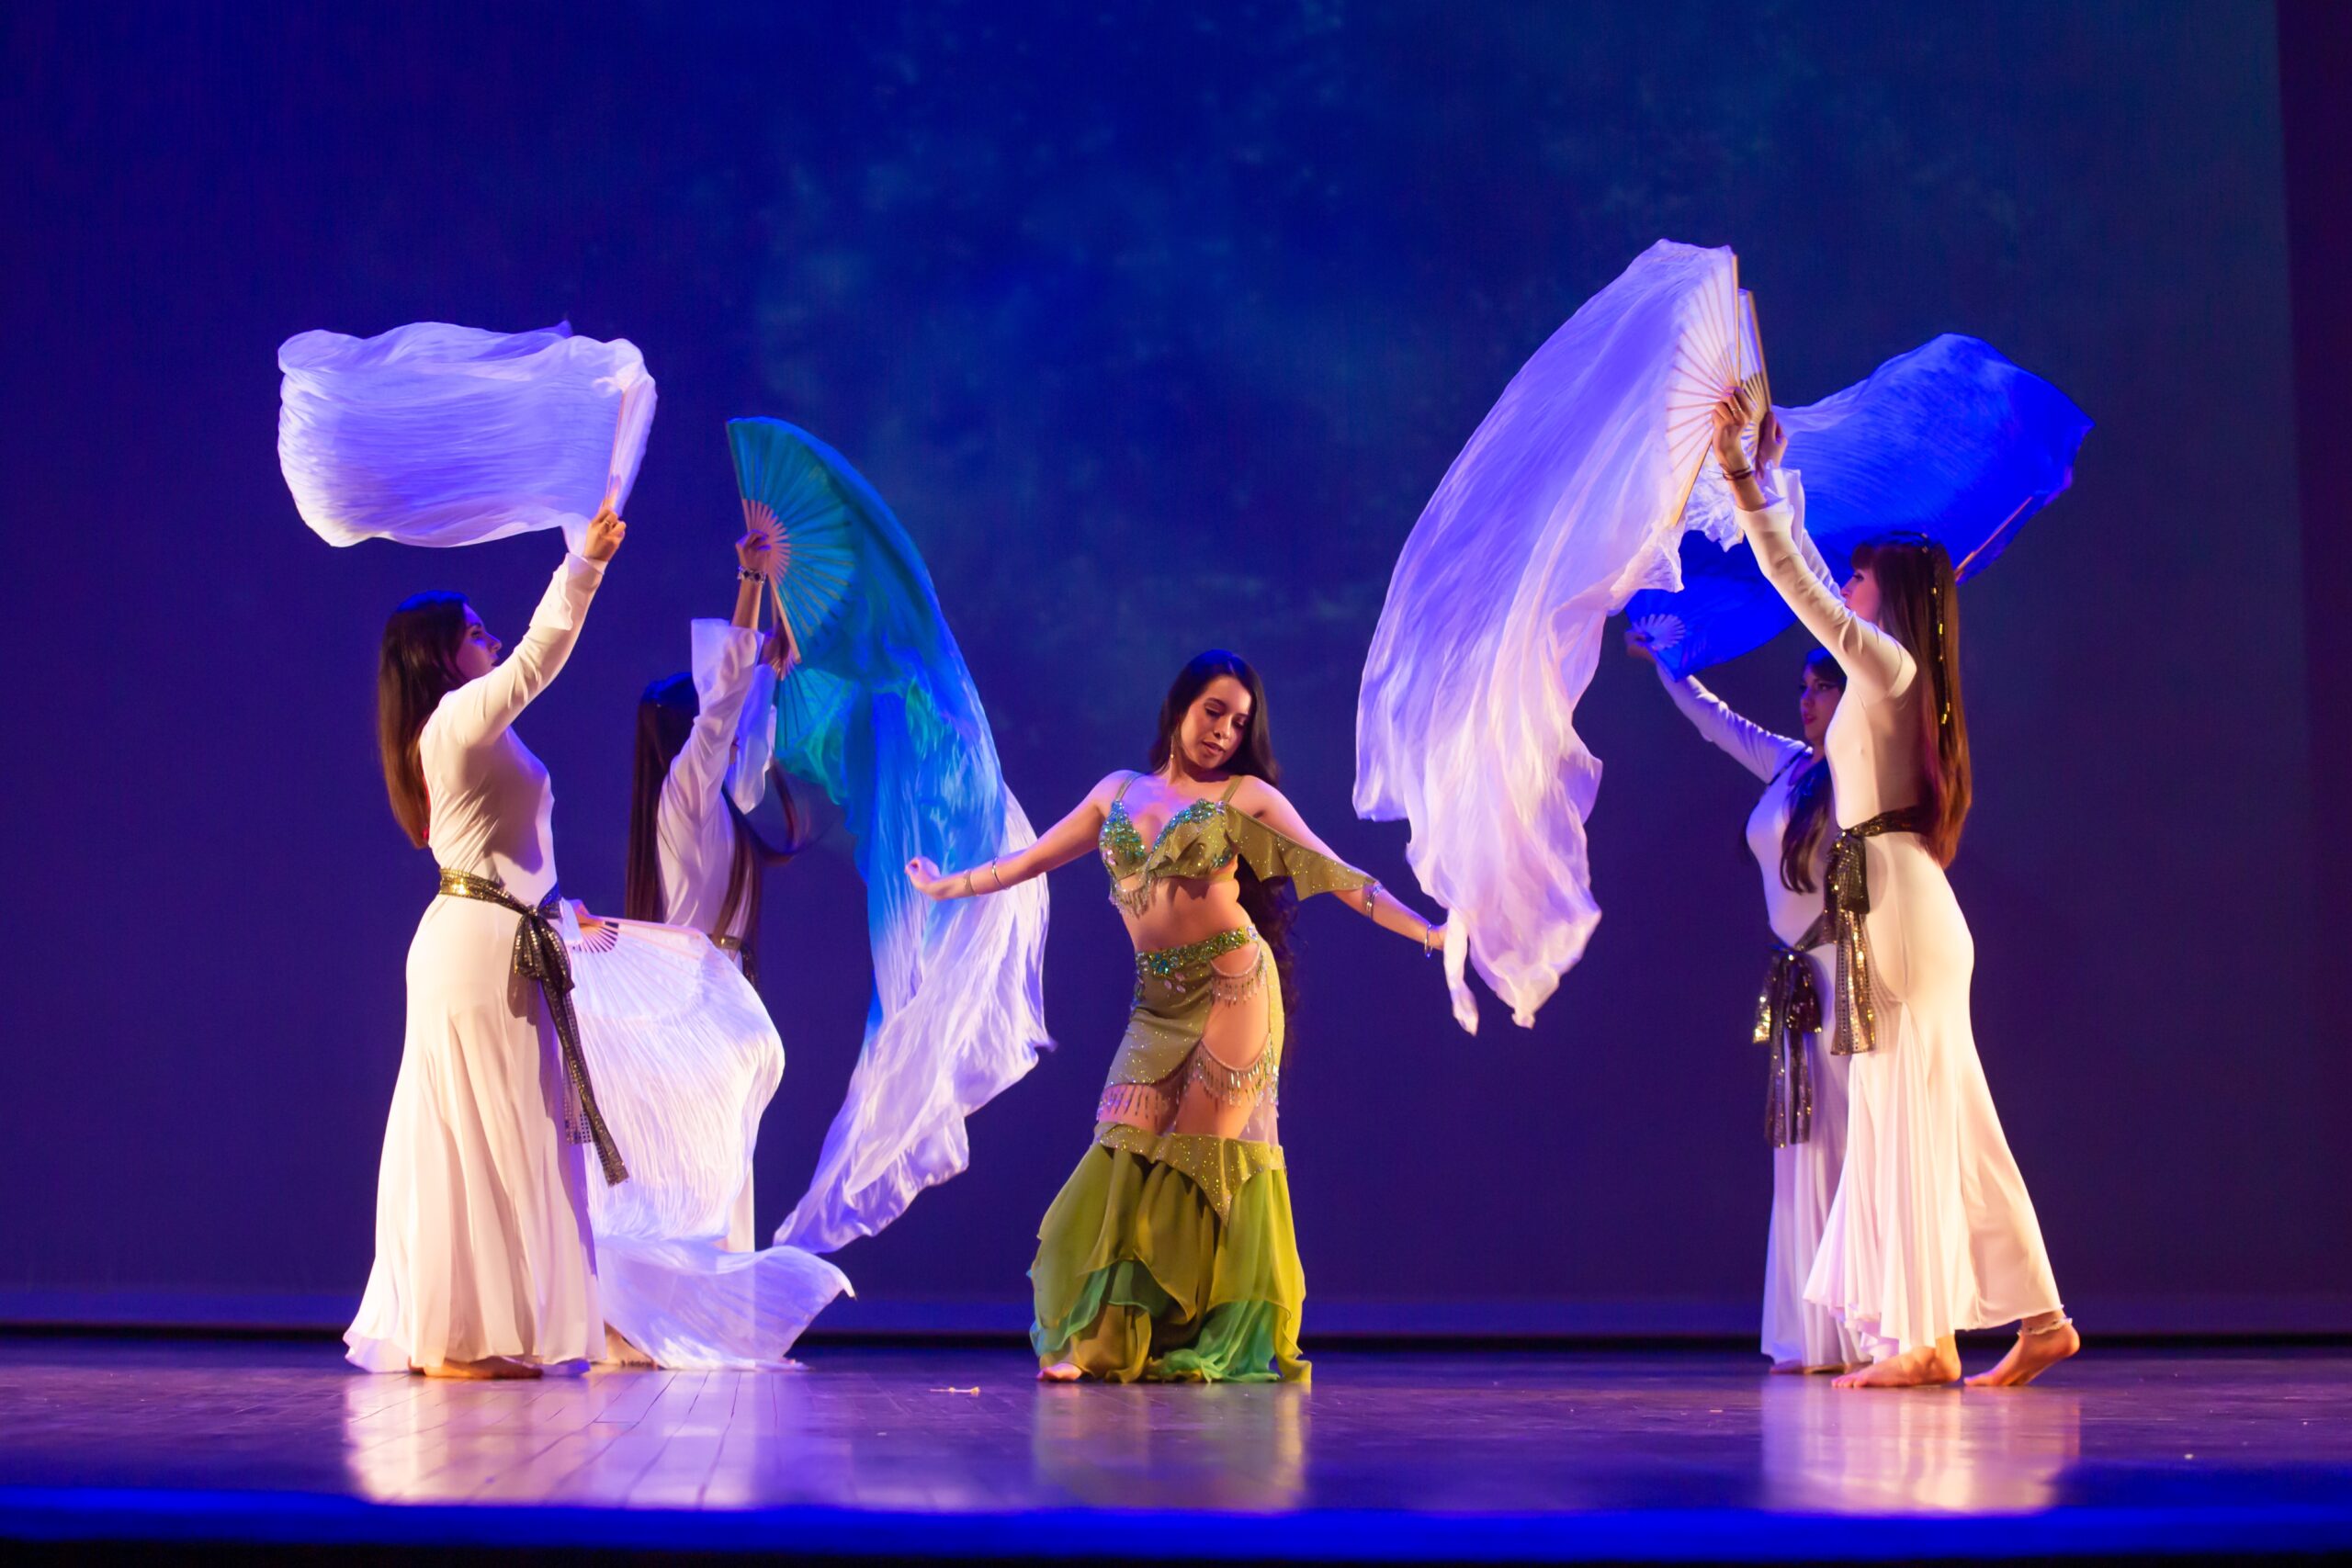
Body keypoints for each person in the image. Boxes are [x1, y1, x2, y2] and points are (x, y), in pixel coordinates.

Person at [905, 651, 1443, 1382]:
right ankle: (1120, 1333)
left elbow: (1347, 879)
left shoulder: (1247, 798)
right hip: (1156, 1003)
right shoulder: (1117, 792)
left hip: (1235, 988)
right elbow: (1028, 861)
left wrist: (1430, 933)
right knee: (1123, 1151)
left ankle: (1132, 1342)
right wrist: (944, 887)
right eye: (1213, 712)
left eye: (1239, 722)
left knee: (1196, 1164)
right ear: (1180, 708)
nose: (1224, 731)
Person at [1715, 389, 2076, 1388]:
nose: (1847, 585)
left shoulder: (1883, 666)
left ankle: (1930, 1340)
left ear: (1890, 595)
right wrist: (1769, 477)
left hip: (1902, 912)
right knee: (1936, 1115)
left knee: (1907, 1113)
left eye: (1860, 577)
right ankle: (2013, 1324)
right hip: (1893, 902)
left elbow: (1795, 580)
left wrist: (1747, 482)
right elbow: (1808, 577)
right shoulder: (1891, 674)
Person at [346, 510, 628, 1378]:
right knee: (480, 1132)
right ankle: (455, 1338)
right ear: (438, 657)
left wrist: (560, 910)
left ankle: (468, 1331)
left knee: (499, 1131)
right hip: (479, 952)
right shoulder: (456, 722)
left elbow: (506, 849)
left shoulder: (467, 732)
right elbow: (538, 655)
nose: (492, 639)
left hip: (495, 939)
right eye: (474, 632)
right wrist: (582, 564)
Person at [1630, 628, 1862, 1374]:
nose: (1807, 701)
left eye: (1823, 687)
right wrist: (1667, 664)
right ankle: (1812, 1331)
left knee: (1847, 1143)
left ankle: (1864, 1328)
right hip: (1795, 979)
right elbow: (1716, 722)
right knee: (1801, 1145)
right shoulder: (1790, 764)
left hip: (1841, 973)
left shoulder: (1862, 775)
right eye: (1803, 688)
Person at [623, 522, 799, 1251]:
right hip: (697, 997)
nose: (716, 726)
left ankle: (720, 1300)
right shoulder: (685, 794)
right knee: (702, 1174)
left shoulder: (724, 796)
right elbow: (725, 707)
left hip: (719, 990)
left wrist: (772, 650)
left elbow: (751, 728)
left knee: (724, 1172)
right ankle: (696, 1300)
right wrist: (749, 583)